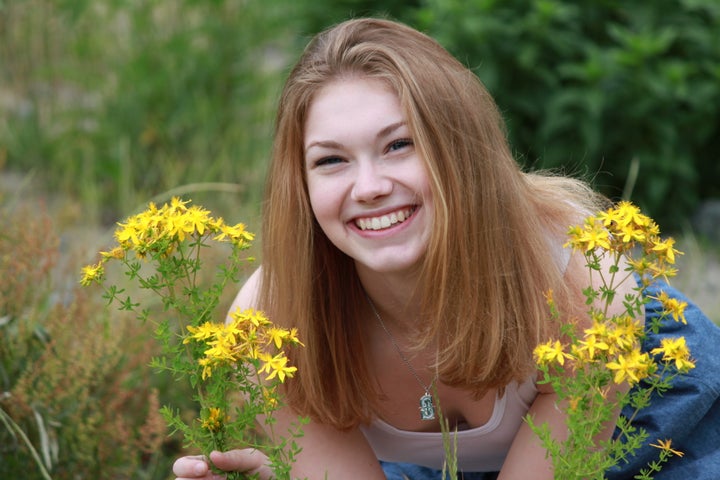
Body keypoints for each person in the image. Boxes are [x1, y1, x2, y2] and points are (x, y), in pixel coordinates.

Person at [173, 18, 720, 480]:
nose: (368, 187)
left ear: (460, 151)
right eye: (331, 160)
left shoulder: (585, 285)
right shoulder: (264, 327)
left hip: (651, 425)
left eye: (399, 145)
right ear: (302, 185)